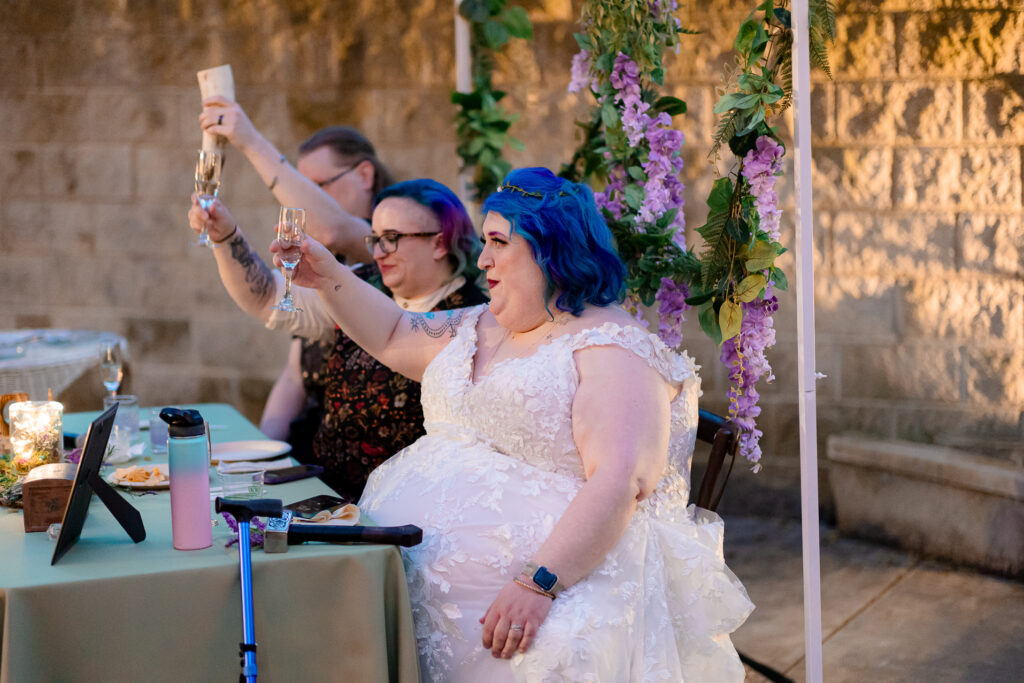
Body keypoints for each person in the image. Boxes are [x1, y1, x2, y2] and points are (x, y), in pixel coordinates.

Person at [274, 167, 753, 681]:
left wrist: (537, 584)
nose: (483, 260)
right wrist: (326, 276)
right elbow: (392, 333)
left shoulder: (613, 348)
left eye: (499, 242)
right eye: (484, 242)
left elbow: (620, 480)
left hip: (553, 587)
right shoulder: (481, 323)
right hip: (422, 584)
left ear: (551, 249)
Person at [187, 178, 487, 499]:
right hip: (324, 491)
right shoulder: (357, 285)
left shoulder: (473, 319)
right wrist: (226, 237)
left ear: (440, 244)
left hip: (406, 502)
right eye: (375, 238)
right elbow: (264, 296)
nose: (380, 251)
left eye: (393, 238)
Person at [198, 98, 395, 461]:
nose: (307, 198)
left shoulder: (387, 248)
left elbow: (333, 228)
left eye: (319, 187)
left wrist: (250, 141)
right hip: (316, 443)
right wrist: (262, 453)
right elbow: (294, 376)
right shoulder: (325, 260)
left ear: (365, 175)